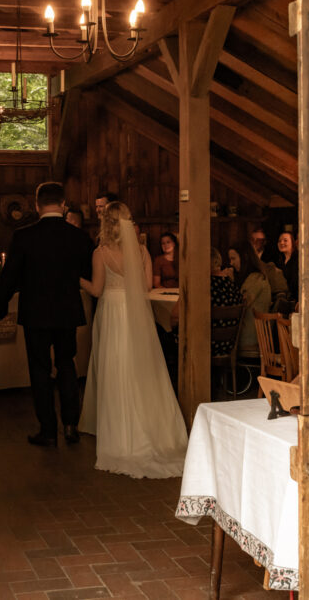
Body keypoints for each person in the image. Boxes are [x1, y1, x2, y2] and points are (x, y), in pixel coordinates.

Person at [79, 201, 188, 479]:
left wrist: (77, 279)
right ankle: (153, 428)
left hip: (113, 311)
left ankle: (121, 430)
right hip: (136, 312)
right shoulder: (140, 251)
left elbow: (96, 289)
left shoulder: (101, 253)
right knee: (141, 368)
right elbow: (147, 288)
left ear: (106, 224)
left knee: (116, 367)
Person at [0, 182, 94, 447]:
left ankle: (48, 430)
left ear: (37, 206)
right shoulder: (79, 237)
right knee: (67, 364)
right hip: (67, 311)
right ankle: (71, 425)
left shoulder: (24, 236)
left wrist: (0, 307)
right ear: (63, 205)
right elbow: (89, 274)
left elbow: (10, 275)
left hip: (36, 312)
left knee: (39, 369)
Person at [232, 243, 271, 357]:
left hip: (249, 338)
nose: (231, 263)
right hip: (251, 335)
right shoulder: (253, 278)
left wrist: (229, 282)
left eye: (233, 258)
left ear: (245, 258)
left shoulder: (256, 278)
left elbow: (240, 305)